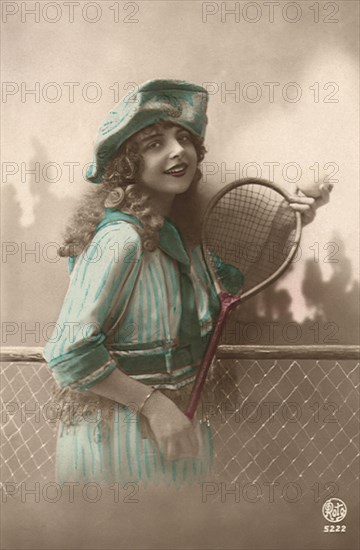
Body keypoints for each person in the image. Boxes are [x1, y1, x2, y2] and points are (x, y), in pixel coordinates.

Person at [43, 79, 331, 487]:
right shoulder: (120, 240)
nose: (178, 150)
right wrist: (156, 408)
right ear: (129, 164)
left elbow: (234, 285)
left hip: (178, 428)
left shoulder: (177, 236)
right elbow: (67, 353)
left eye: (183, 138)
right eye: (154, 143)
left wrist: (296, 216)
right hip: (120, 434)